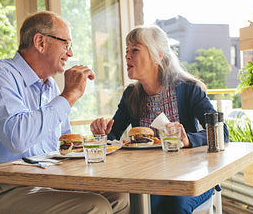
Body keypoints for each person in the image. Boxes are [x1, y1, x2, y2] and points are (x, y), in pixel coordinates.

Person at [0, 11, 129, 214]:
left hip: (41, 184)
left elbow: (64, 146)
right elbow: (17, 138)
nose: (70, 53)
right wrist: (69, 95)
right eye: (66, 44)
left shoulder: (50, 88)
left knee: (119, 196)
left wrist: (97, 141)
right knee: (94, 207)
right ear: (40, 42)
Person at [90, 25, 229, 214]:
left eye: (135, 49)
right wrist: (102, 134)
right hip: (149, 179)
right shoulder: (131, 95)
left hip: (191, 178)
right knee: (140, 206)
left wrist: (188, 139)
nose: (127, 56)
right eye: (126, 51)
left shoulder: (189, 89)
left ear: (158, 55)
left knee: (173, 207)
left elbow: (223, 132)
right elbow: (113, 135)